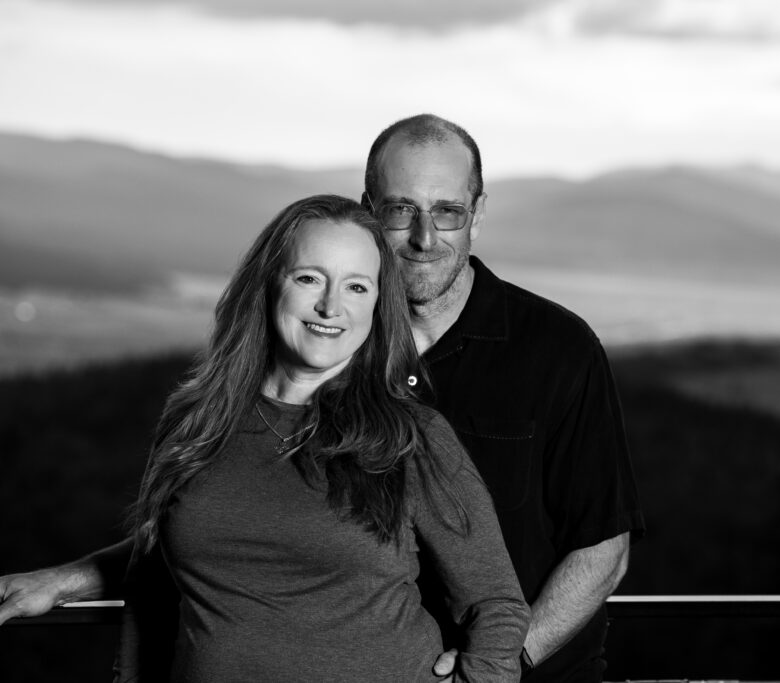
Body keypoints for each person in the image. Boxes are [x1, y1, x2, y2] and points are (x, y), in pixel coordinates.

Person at [0, 115, 644, 682]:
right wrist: (72, 579)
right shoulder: (218, 413)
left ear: (476, 212)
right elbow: (192, 544)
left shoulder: (545, 357)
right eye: (399, 210)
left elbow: (596, 550)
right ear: (369, 211)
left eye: (447, 210)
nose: (424, 236)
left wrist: (498, 668)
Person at [8, 194, 531, 682]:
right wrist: (63, 581)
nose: (331, 306)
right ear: (269, 283)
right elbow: (161, 562)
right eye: (310, 278)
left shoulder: (411, 437)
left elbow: (497, 605)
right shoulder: (197, 419)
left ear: (377, 305)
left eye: (356, 286)